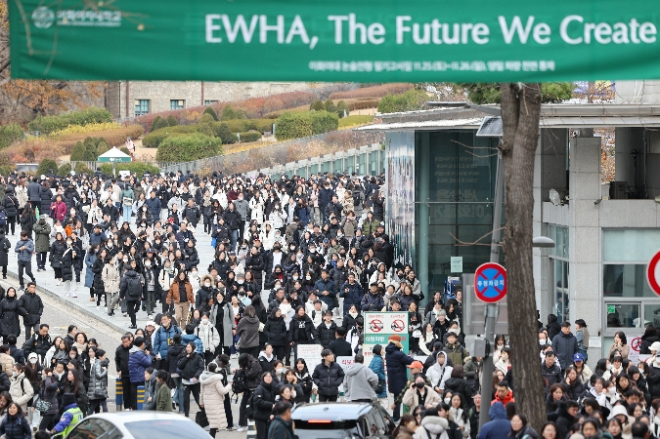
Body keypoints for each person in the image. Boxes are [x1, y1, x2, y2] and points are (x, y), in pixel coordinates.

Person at [386, 334, 414, 421]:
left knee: (397, 398)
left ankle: (396, 417)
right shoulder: (398, 354)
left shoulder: (388, 353)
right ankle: (399, 418)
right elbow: (410, 361)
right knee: (402, 398)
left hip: (392, 380)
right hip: (400, 380)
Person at [199, 362, 232, 436]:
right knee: (214, 425)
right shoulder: (216, 379)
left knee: (212, 423)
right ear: (216, 370)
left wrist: (201, 402)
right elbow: (222, 391)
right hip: (215, 403)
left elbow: (201, 392)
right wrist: (229, 386)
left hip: (207, 403)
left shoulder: (203, 378)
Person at [177, 342, 204, 417]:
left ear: (193, 348)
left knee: (198, 398)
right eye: (187, 347)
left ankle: (204, 414)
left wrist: (196, 376)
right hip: (186, 381)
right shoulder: (183, 356)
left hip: (195, 381)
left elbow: (201, 367)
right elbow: (179, 366)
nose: (188, 348)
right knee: (186, 400)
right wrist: (186, 358)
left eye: (189, 347)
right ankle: (186, 416)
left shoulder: (198, 357)